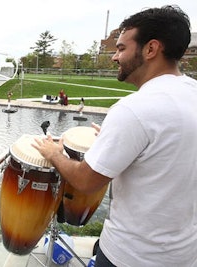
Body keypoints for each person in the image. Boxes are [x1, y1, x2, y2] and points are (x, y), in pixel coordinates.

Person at [32, 5, 197, 267]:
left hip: (131, 256)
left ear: (151, 49)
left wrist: (54, 154)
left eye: (121, 48)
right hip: (184, 254)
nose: (114, 57)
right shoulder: (191, 93)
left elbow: (86, 182)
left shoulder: (134, 109)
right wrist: (116, 140)